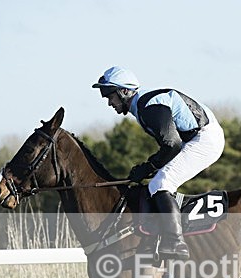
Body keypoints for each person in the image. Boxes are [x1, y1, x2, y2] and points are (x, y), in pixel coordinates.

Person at [92, 66, 225, 260]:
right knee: (158, 182)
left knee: (161, 183)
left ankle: (175, 242)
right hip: (197, 137)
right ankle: (156, 238)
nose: (109, 103)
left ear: (124, 91)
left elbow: (172, 146)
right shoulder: (143, 105)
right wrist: (150, 167)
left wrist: (148, 166)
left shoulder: (148, 107)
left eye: (110, 96)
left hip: (205, 139)